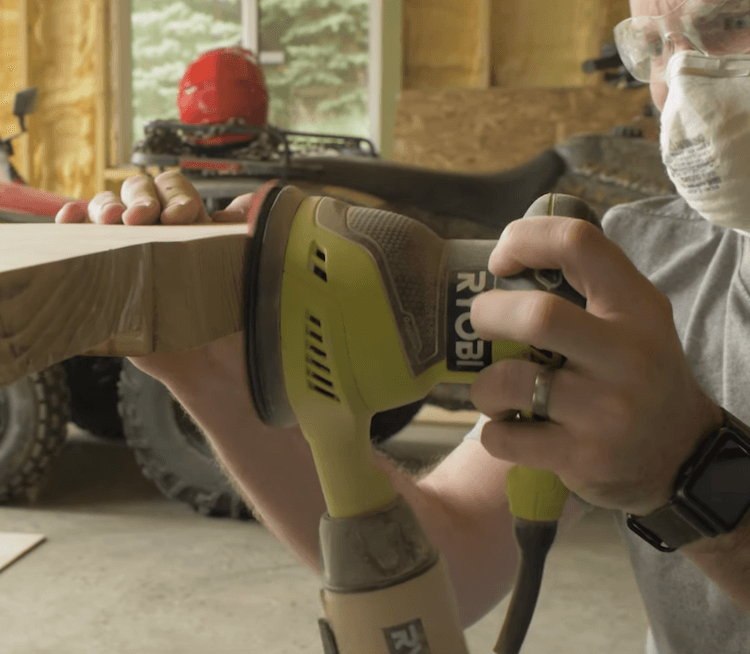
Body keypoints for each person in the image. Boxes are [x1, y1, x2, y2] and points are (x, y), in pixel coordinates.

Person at [56, 1, 750, 651]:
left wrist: (691, 474)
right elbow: (456, 557)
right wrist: (216, 376)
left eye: (728, 20)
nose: (681, 78)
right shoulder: (644, 263)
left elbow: (679, 470)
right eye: (654, 44)